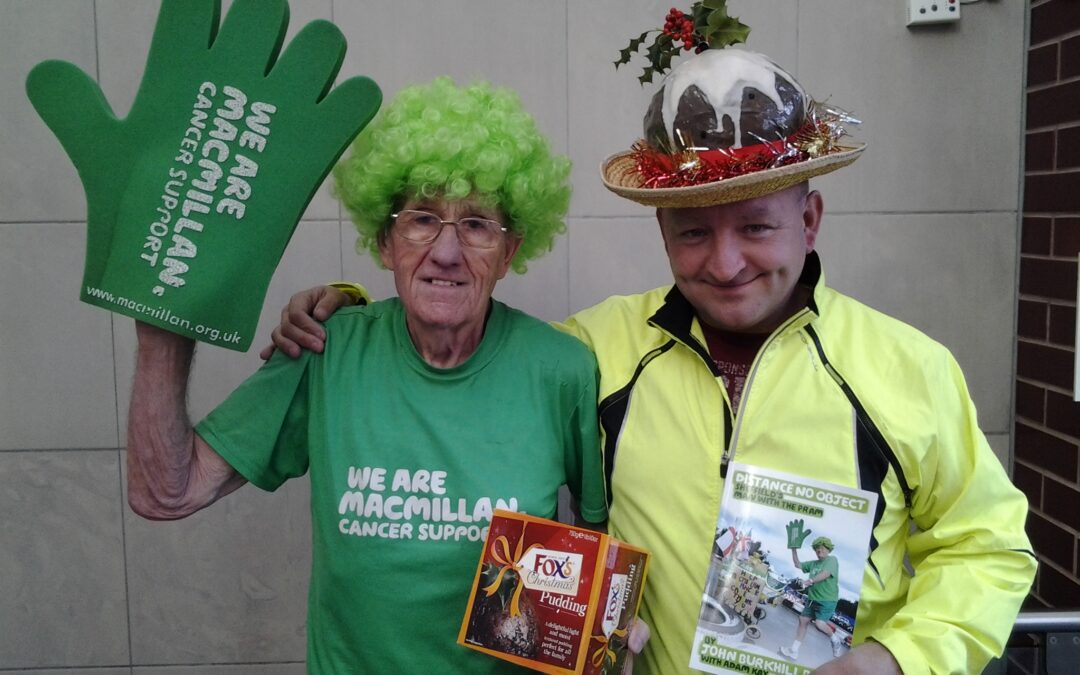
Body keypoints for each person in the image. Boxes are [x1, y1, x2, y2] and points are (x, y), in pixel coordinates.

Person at [267, 47, 1037, 674]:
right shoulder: (589, 353)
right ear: (663, 231)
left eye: (756, 227)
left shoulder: (908, 368)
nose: (726, 263)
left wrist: (896, 658)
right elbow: (467, 343)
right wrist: (349, 307)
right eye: (693, 232)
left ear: (810, 217)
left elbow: (988, 546)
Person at [126, 77, 610, 673]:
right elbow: (165, 492)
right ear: (384, 241)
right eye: (422, 219)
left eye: (478, 225)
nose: (447, 252)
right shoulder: (324, 349)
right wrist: (161, 328)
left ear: (510, 253)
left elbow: (601, 550)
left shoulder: (562, 370)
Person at [780, 531, 844, 661]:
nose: (818, 550)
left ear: (827, 549)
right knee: (803, 621)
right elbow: (798, 564)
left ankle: (835, 640)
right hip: (812, 599)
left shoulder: (832, 560)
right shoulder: (814, 563)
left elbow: (825, 574)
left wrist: (810, 581)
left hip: (827, 600)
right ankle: (793, 651)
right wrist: (793, 550)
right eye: (816, 549)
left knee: (820, 624)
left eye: (821, 547)